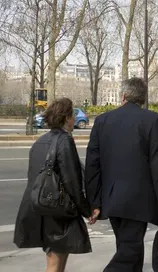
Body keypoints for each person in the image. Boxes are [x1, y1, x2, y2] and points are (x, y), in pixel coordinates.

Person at [85, 77, 158, 271]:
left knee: (129, 249)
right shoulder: (154, 120)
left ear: (123, 95)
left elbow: (93, 165)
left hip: (111, 199)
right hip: (140, 201)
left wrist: (94, 202)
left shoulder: (102, 121)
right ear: (142, 98)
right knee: (129, 251)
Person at [14, 97, 99, 272]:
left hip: (39, 206)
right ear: (66, 118)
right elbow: (72, 182)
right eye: (73, 115)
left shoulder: (40, 141)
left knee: (56, 258)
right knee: (55, 262)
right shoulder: (64, 141)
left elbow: (32, 176)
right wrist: (86, 210)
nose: (75, 119)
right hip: (58, 211)